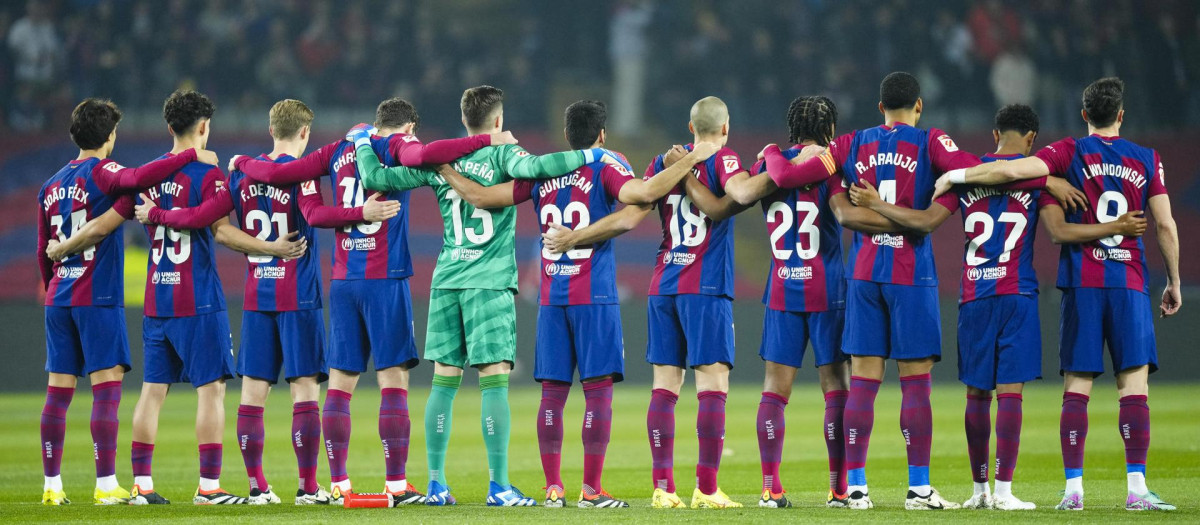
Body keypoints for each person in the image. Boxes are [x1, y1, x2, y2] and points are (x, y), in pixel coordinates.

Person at [850, 103, 1142, 510]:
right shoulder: (1037, 180)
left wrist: (883, 202)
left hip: (973, 297)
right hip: (1016, 294)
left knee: (976, 396)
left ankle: (978, 490)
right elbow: (1058, 229)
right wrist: (1054, 181)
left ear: (993, 135)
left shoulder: (966, 178)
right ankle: (1004, 492)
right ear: (1032, 140)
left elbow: (927, 220)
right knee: (1010, 395)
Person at [437, 99, 719, 508]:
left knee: (552, 393)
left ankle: (553, 488)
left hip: (552, 296)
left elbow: (481, 197)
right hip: (593, 295)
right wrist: (692, 157)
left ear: (566, 135)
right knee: (597, 392)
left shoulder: (541, 170)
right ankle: (590, 489)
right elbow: (641, 193)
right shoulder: (605, 163)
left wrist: (445, 170)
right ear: (601, 134)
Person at [229, 97, 511, 504]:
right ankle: (396, 483)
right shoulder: (396, 148)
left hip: (343, 280)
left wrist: (240, 163)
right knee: (392, 380)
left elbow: (276, 174)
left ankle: (339, 481)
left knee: (341, 385)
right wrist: (487, 138)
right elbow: (430, 154)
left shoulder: (337, 150)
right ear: (408, 126)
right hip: (385, 279)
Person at [354, 85, 621, 507]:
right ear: (498, 121)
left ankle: (437, 484)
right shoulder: (502, 154)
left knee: (443, 382)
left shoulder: (442, 159)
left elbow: (375, 178)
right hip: (489, 281)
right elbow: (542, 167)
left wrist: (360, 142)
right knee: (493, 381)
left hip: (446, 280)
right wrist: (594, 154)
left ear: (465, 121)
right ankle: (499, 486)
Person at [934, 77, 1181, 512]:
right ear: (1121, 115)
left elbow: (1010, 169)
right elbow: (1164, 225)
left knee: (1076, 386)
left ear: (1084, 114)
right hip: (1127, 282)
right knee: (1134, 387)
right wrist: (1174, 281)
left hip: (1077, 282)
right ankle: (1137, 490)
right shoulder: (1147, 158)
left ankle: (1072, 490)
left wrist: (954, 174)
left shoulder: (1066, 153)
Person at [764, 72, 979, 510]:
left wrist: (772, 151)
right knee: (916, 383)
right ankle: (919, 487)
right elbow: (973, 176)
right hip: (910, 275)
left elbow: (791, 176)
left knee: (863, 382)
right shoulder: (931, 142)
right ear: (918, 106)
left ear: (880, 107)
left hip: (862, 276)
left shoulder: (849, 145)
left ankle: (855, 488)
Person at [35, 98, 216, 506]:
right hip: (96, 296)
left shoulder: (50, 185)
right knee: (106, 390)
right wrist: (189, 153)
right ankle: (105, 484)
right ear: (110, 137)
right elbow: (139, 176)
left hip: (59, 297)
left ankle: (51, 485)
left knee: (57, 394)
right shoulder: (105, 172)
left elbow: (41, 249)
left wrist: (52, 288)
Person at [722, 96, 852, 508]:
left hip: (782, 285)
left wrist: (774, 153)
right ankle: (838, 489)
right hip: (827, 289)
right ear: (830, 128)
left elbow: (743, 195)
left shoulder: (766, 166)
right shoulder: (831, 165)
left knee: (774, 392)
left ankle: (770, 488)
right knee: (837, 390)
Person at [129, 90, 243, 505]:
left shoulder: (147, 175)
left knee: (152, 390)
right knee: (211, 390)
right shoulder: (207, 175)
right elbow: (214, 221)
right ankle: (209, 488)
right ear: (203, 127)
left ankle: (142, 486)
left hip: (157, 297)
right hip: (197, 299)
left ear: (168, 127)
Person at [640, 96, 750, 510]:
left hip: (662, 282)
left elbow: (642, 200)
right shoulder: (724, 160)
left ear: (690, 128)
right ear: (725, 128)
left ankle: (663, 488)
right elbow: (731, 202)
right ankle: (706, 488)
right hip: (704, 287)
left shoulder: (661, 161)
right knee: (712, 384)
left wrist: (678, 168)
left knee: (664, 387)